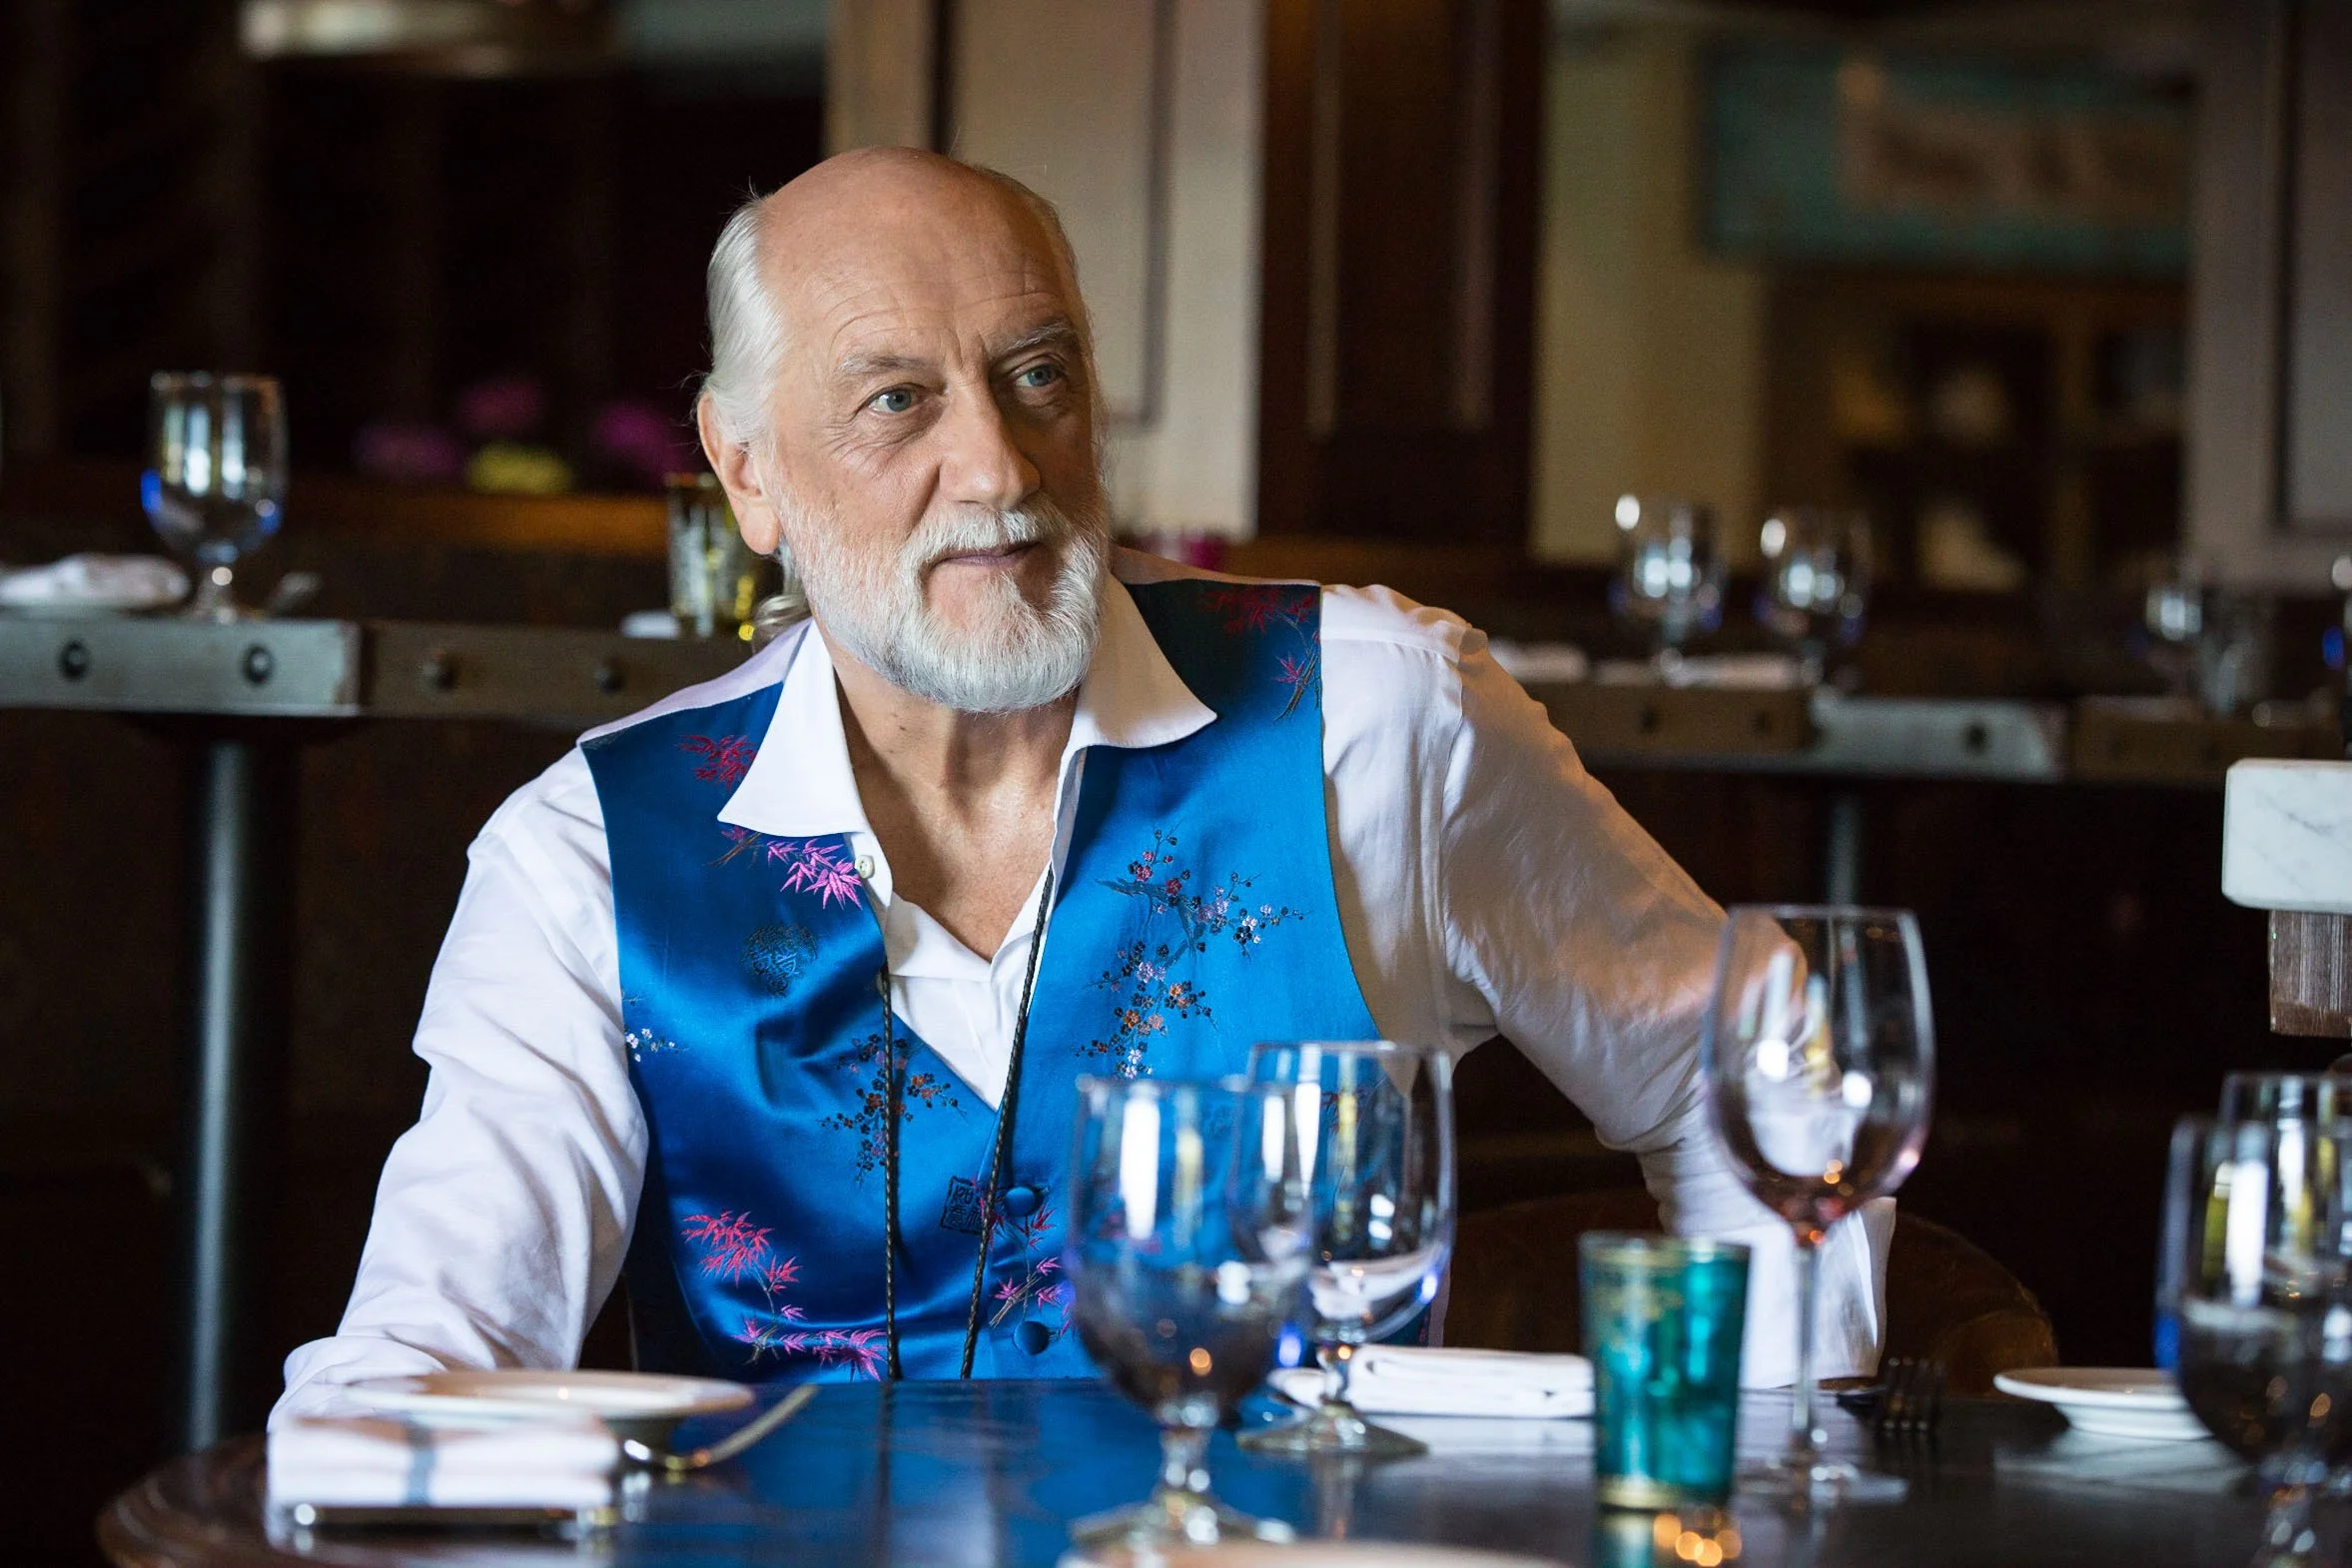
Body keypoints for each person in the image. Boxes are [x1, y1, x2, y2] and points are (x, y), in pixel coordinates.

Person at [275, 148, 1884, 1417]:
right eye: (898, 398)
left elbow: (1749, 1057)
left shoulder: (1373, 713)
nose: (998, 464)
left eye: (1035, 374)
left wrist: (1747, 1456)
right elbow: (434, 1348)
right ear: (746, 469)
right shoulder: (586, 860)